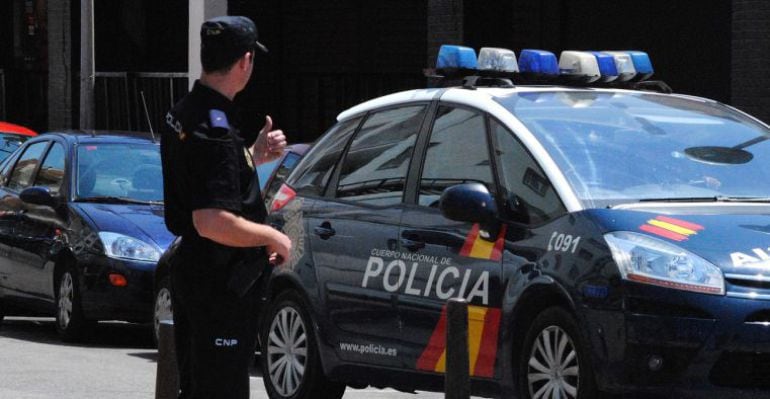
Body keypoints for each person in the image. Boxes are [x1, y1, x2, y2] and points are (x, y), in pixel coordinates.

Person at [160, 15, 292, 399]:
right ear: (244, 61)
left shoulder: (187, 111)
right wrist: (273, 237)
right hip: (219, 284)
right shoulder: (215, 130)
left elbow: (205, 183)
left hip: (196, 273)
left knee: (198, 385)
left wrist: (253, 155)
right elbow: (211, 220)